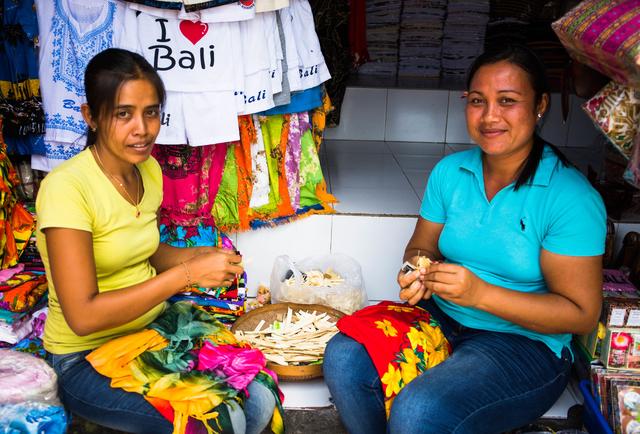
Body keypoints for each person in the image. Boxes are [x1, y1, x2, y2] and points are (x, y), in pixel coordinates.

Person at [324, 44, 606, 434]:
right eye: (477, 101)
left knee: (420, 410)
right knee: (344, 356)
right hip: (443, 318)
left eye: (507, 101)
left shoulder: (569, 197)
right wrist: (416, 271)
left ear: (539, 105)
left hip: (525, 345)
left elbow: (580, 313)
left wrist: (481, 294)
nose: (490, 116)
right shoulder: (450, 172)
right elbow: (421, 246)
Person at [36, 48, 275, 434]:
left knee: (259, 398)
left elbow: (141, 250)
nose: (142, 129)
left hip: (152, 331)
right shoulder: (67, 189)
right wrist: (186, 274)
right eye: (123, 113)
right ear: (91, 117)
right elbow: (83, 316)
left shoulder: (147, 169)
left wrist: (196, 256)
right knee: (215, 423)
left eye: (151, 112)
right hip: (84, 358)